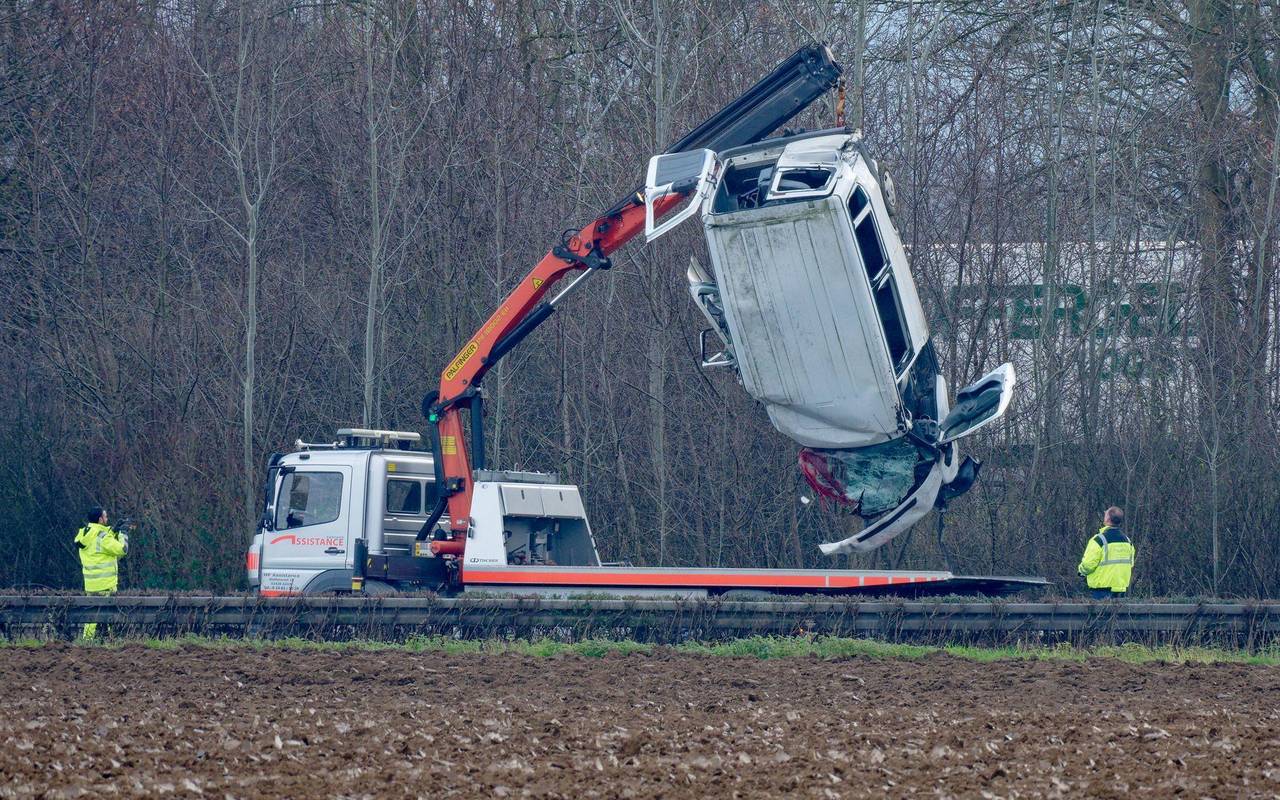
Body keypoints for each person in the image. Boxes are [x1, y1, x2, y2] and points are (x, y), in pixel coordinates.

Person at [74, 507, 129, 639]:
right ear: (100, 519)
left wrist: (113, 530)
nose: (107, 518)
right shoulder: (102, 537)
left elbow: (99, 539)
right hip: (106, 584)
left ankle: (86, 642)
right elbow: (122, 549)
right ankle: (114, 641)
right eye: (105, 517)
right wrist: (123, 535)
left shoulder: (84, 534)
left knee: (91, 617)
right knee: (111, 614)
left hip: (91, 584)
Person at [1077, 506, 1135, 599]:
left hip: (1101, 589)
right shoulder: (1127, 541)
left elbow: (1088, 564)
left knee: (1100, 613)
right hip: (1120, 588)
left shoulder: (1098, 540)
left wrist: (1081, 571)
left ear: (1107, 519)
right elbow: (1130, 563)